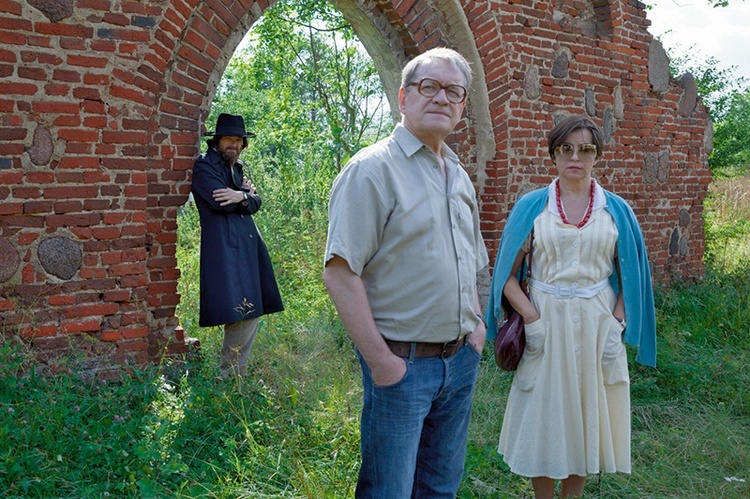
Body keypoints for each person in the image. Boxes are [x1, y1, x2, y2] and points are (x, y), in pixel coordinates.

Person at [323, 48, 489, 498]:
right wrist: (383, 363)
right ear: (403, 96)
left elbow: (472, 261)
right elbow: (340, 273)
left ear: (461, 105)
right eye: (428, 86)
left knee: (439, 488)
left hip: (459, 363)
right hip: (402, 367)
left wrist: (476, 331)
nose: (441, 98)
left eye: (453, 91)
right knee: (389, 492)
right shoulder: (372, 170)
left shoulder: (458, 174)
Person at [485, 115, 657, 498]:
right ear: (554, 155)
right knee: (544, 418)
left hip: (597, 325)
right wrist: (531, 318)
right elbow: (505, 278)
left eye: (585, 149)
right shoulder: (534, 207)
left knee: (586, 417)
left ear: (597, 156)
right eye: (566, 149)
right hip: (546, 321)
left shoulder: (616, 211)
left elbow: (631, 274)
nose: (575, 157)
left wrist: (617, 323)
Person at [191, 113, 284, 379]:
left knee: (250, 310)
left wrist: (242, 196)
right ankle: (228, 377)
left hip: (247, 247)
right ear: (217, 141)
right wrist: (244, 197)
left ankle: (235, 376)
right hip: (224, 248)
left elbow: (256, 202)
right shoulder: (204, 166)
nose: (233, 144)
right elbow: (220, 201)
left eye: (238, 140)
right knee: (237, 310)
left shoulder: (236, 167)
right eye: (228, 139)